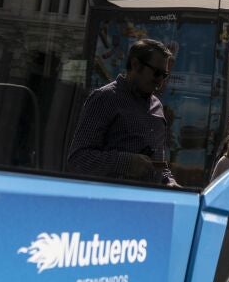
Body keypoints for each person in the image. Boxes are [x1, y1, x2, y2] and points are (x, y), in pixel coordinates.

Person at [67, 38, 176, 186]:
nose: (160, 81)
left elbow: (157, 165)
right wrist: (127, 163)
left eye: (164, 75)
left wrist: (169, 182)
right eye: (157, 73)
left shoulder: (157, 106)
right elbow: (78, 159)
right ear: (135, 65)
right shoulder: (105, 98)